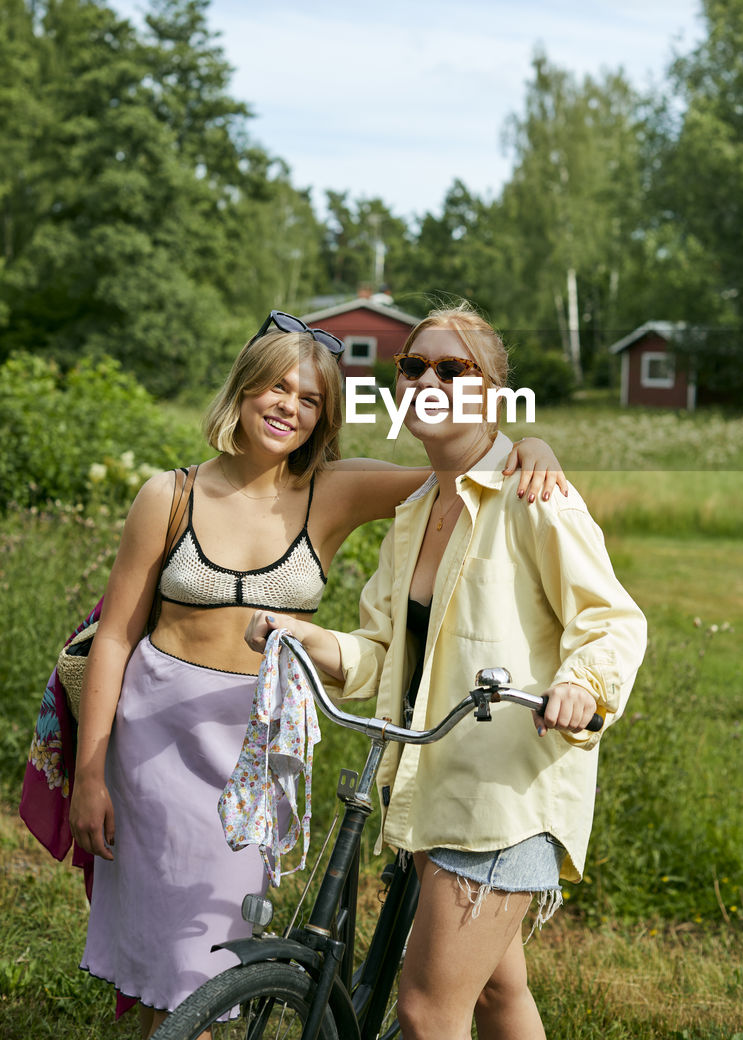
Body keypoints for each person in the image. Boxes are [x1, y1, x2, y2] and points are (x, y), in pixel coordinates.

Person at [69, 310, 567, 1039]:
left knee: (211, 944)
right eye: (274, 388)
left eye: (309, 400)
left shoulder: (331, 491)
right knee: (166, 955)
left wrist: (532, 442)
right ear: (241, 393)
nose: (287, 408)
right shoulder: (168, 495)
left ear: (325, 418)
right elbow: (114, 638)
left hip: (255, 745)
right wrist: (90, 773)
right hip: (154, 743)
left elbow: (457, 467)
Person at [248, 304, 647, 1040]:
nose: (427, 378)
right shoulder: (414, 511)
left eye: (452, 368)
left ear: (490, 393)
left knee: (429, 1011)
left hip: (502, 795)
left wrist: (581, 685)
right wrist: (302, 636)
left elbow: (613, 620)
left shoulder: (533, 497)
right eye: (413, 366)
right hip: (434, 781)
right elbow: (376, 653)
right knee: (496, 997)